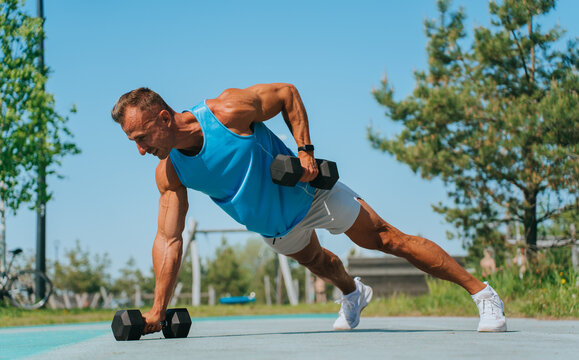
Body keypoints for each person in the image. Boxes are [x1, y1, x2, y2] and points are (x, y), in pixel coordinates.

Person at [111, 83, 507, 333]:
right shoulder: (170, 173)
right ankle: (354, 294)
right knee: (322, 264)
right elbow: (168, 239)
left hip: (312, 194)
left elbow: (287, 94)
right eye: (134, 142)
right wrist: (156, 310)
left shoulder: (226, 112)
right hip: (275, 228)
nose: (141, 149)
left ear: (164, 117)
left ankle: (484, 295)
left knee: (388, 239)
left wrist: (305, 152)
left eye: (143, 137)